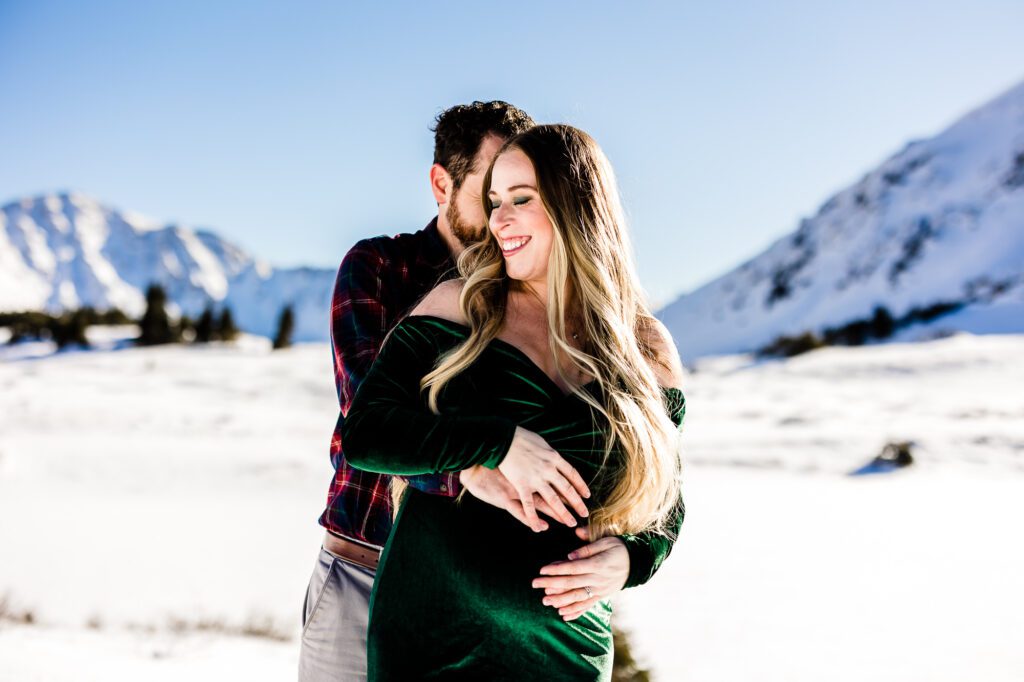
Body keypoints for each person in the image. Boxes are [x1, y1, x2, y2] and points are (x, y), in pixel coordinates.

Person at [342, 124, 687, 681]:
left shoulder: (643, 347)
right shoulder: (459, 305)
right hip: (434, 643)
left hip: (566, 655)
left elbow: (665, 497)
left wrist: (632, 559)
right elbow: (367, 434)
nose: (498, 220)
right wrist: (496, 443)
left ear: (577, 207)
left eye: (520, 200)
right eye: (494, 201)